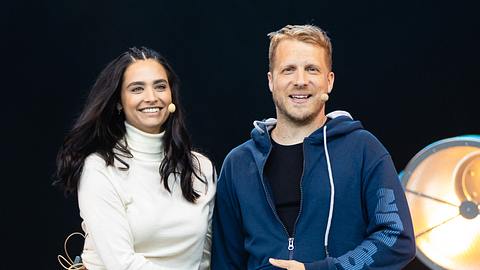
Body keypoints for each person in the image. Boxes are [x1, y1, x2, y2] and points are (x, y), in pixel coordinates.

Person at [211, 25, 415, 270]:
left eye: (311, 69)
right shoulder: (239, 163)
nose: (300, 81)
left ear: (328, 81)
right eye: (288, 70)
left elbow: (395, 238)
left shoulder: (363, 149)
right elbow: (225, 262)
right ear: (271, 81)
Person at [54, 46, 216, 270]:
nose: (151, 97)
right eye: (137, 89)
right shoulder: (100, 168)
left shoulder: (201, 168)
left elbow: (204, 259)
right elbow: (122, 264)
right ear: (119, 101)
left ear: (171, 96)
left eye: (160, 86)